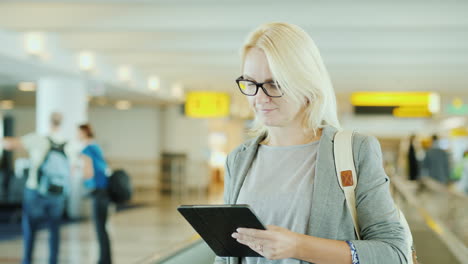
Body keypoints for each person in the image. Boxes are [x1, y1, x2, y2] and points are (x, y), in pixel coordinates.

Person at [214, 22, 408, 264]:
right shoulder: (239, 159)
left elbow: (393, 253)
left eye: (275, 84)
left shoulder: (354, 151)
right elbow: (227, 253)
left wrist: (298, 246)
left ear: (306, 83)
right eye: (251, 83)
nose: (259, 97)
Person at [1, 112, 72, 264]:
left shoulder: (38, 139)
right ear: (61, 123)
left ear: (48, 122)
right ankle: (53, 261)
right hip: (57, 193)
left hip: (36, 191)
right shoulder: (68, 143)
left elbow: (10, 144)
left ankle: (27, 261)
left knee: (30, 230)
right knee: (54, 231)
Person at [77, 124, 112, 264]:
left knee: (99, 228)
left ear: (84, 133)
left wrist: (79, 171)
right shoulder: (97, 147)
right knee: (103, 227)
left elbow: (89, 173)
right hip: (105, 191)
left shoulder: (87, 149)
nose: (77, 135)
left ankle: (103, 260)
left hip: (98, 192)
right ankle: (106, 259)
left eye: (78, 133)